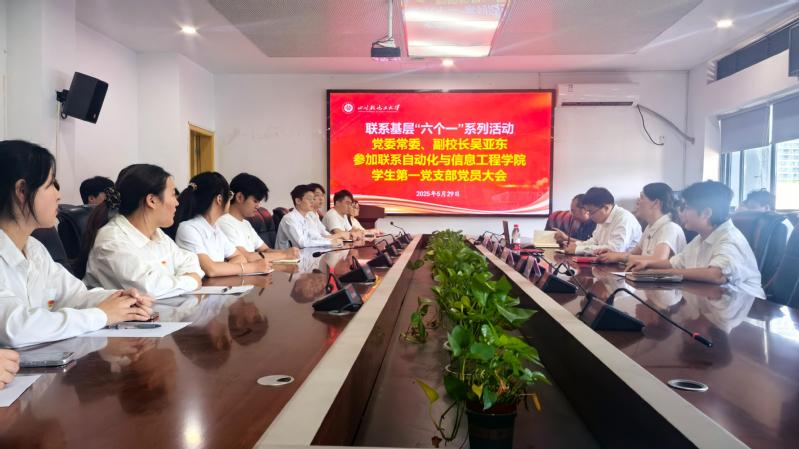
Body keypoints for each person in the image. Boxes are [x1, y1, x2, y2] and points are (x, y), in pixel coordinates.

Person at [0, 141, 153, 348]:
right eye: (51, 184)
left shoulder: (34, 249)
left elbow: (75, 296)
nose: (58, 195)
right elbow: (15, 328)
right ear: (22, 191)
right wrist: (102, 315)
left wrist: (121, 299)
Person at [82, 164, 205, 299]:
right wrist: (191, 281)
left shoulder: (157, 234)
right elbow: (148, 288)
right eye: (172, 195)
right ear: (152, 200)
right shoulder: (112, 240)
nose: (177, 203)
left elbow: (189, 260)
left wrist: (182, 280)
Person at [628, 181, 765, 299]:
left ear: (706, 213)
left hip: (748, 309)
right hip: (713, 303)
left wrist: (657, 273)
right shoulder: (700, 238)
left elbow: (715, 275)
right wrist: (647, 264)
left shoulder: (730, 239)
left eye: (687, 208)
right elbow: (674, 263)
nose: (681, 213)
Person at [171, 172, 273, 277]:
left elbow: (240, 258)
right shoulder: (188, 228)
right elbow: (211, 270)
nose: (230, 200)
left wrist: (221, 268)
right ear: (219, 199)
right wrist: (254, 267)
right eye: (230, 195)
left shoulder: (215, 228)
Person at [217, 173, 300, 262]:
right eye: (255, 201)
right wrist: (284, 255)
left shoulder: (246, 223)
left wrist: (288, 252)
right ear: (239, 197)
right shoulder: (223, 222)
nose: (258, 206)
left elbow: (265, 250)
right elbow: (246, 257)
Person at [597, 183, 686, 264]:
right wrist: (613, 254)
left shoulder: (670, 228)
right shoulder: (650, 227)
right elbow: (634, 254)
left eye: (642, 197)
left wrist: (620, 257)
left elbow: (659, 259)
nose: (637, 202)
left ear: (656, 203)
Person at [562, 187, 641, 255]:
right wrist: (576, 245)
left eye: (591, 212)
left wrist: (578, 249)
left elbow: (614, 250)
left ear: (606, 208)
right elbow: (594, 241)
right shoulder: (602, 219)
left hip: (624, 266)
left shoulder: (623, 218)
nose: (589, 216)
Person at [275, 185, 343, 249]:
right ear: (298, 201)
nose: (312, 202)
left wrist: (333, 241)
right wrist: (329, 242)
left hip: (304, 253)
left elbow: (316, 237)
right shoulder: (289, 218)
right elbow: (301, 243)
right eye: (309, 199)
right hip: (284, 256)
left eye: (313, 199)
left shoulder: (307, 217)